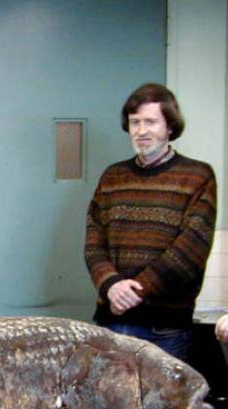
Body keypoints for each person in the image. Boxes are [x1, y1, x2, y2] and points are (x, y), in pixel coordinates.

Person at [84, 83, 217, 362]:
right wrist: (111, 286)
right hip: (112, 322)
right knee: (111, 405)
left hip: (165, 329)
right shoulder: (113, 177)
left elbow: (190, 251)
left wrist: (133, 292)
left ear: (169, 127)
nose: (141, 131)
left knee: (162, 406)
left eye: (150, 122)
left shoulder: (197, 176)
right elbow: (94, 243)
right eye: (135, 123)